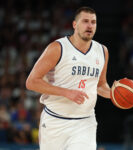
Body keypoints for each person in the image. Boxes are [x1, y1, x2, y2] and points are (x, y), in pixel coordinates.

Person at [26, 6, 112, 150]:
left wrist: (114, 94)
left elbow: (100, 85)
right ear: (74, 24)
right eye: (85, 21)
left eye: (93, 22)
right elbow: (31, 82)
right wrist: (66, 92)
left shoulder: (102, 51)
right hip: (55, 121)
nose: (90, 26)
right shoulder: (57, 48)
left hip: (85, 122)